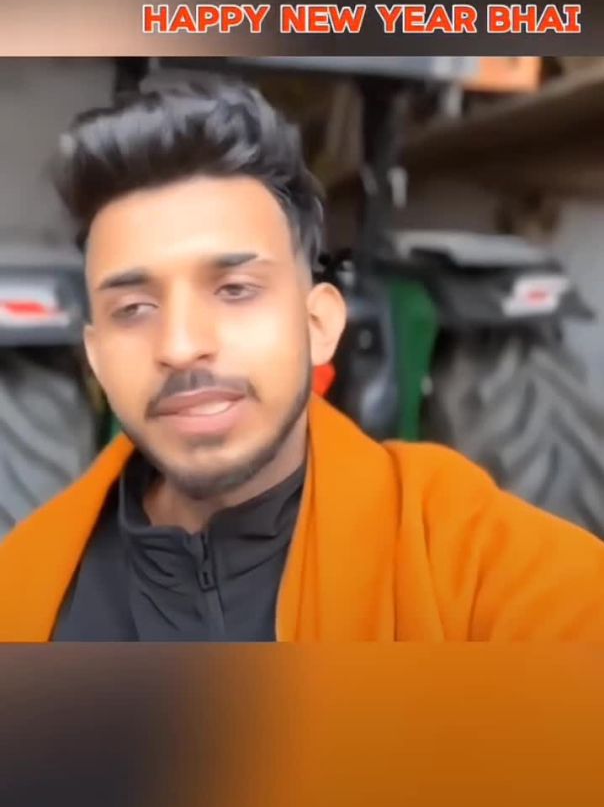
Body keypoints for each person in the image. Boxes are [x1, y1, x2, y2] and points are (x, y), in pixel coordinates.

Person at [0, 77, 603, 643]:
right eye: (134, 308)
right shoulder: (23, 588)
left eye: (235, 290)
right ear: (96, 356)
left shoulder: (462, 557)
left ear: (319, 326)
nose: (180, 345)